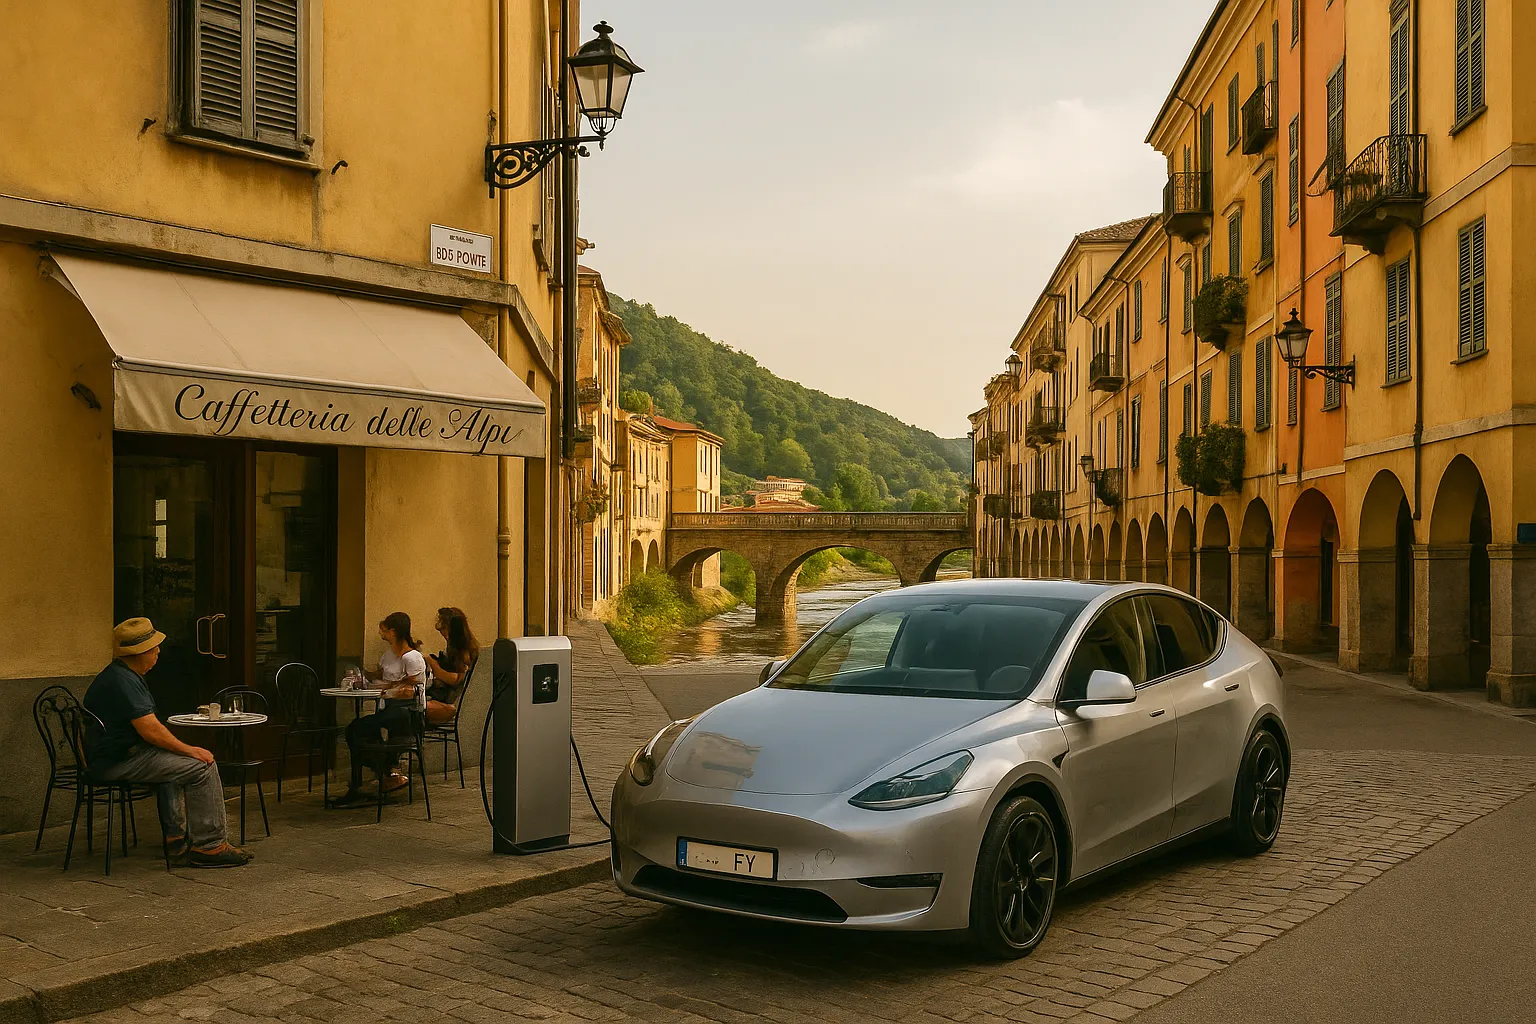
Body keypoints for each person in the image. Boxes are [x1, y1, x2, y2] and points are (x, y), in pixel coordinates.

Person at [83, 618, 251, 868]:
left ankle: (175, 839)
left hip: (115, 755)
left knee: (176, 764)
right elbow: (150, 730)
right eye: (153, 648)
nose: (158, 652)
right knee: (202, 766)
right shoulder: (123, 681)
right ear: (140, 652)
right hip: (117, 761)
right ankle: (210, 845)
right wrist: (190, 750)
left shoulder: (121, 675)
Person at [330, 612, 426, 807]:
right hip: (388, 709)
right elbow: (378, 678)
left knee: (357, 729)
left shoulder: (412, 657)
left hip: (406, 712)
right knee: (360, 729)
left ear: (393, 631)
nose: (381, 634)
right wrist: (359, 676)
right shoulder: (388, 656)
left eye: (384, 630)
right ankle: (382, 772)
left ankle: (377, 774)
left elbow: (411, 689)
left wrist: (387, 689)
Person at [424, 606, 478, 726]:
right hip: (446, 697)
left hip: (454, 703)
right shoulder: (452, 647)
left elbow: (455, 680)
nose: (442, 633)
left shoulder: (464, 650)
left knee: (416, 709)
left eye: (444, 629)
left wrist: (433, 664)